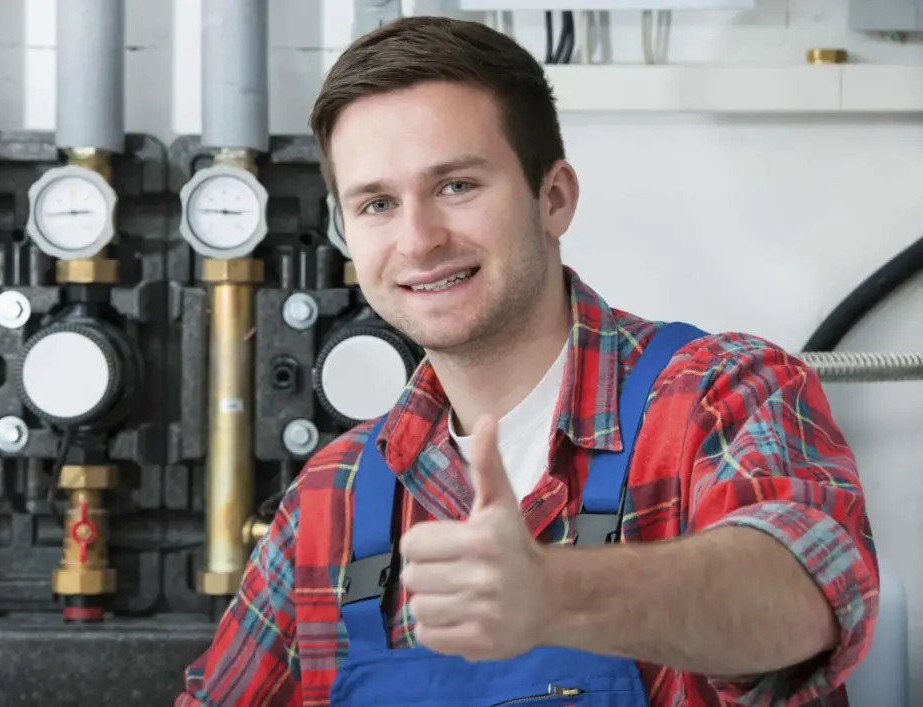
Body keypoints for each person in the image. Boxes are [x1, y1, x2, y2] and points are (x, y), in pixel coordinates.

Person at [176, 15, 879, 707]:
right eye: (378, 203)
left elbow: (810, 591)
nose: (418, 240)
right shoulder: (330, 501)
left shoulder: (718, 394)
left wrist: (558, 591)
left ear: (554, 197)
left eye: (456, 185)